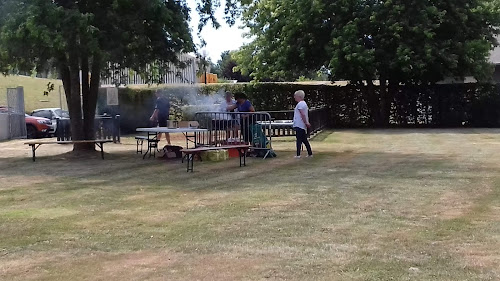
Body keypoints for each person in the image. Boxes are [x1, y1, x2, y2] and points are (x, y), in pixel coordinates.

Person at [293, 90, 312, 158]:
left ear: (299, 96)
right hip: (302, 125)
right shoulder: (304, 103)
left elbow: (302, 114)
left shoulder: (300, 104)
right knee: (304, 140)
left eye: (295, 96)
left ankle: (298, 154)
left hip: (299, 125)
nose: (294, 97)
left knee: (299, 140)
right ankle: (310, 153)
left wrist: (306, 122)